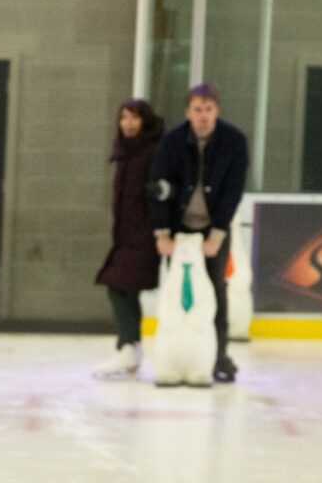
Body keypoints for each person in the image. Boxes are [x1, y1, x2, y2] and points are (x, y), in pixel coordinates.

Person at [147, 84, 248, 384]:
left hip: (213, 226)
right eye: (197, 110)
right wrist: (162, 232)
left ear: (216, 110)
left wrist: (217, 233)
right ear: (188, 112)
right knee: (179, 290)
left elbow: (233, 190)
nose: (203, 116)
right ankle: (176, 357)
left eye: (208, 109)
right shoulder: (173, 141)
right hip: (178, 228)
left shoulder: (233, 141)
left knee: (215, 289)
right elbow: (156, 185)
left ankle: (217, 357)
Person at [92, 99, 165, 378]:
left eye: (134, 117)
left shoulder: (152, 152)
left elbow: (156, 195)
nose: (128, 123)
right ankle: (131, 349)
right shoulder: (124, 152)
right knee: (124, 289)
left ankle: (128, 347)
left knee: (118, 285)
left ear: (145, 121)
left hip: (144, 235)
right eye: (124, 118)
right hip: (125, 235)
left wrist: (159, 230)